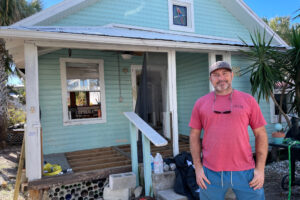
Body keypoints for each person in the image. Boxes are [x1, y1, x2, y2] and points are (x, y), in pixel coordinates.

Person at [189, 61, 268, 200]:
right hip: (210, 172)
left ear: (232, 75)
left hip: (245, 171)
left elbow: (261, 134)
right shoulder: (200, 103)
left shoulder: (248, 100)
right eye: (216, 75)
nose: (221, 78)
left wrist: (260, 170)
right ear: (210, 79)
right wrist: (198, 168)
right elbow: (194, 136)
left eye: (225, 73)